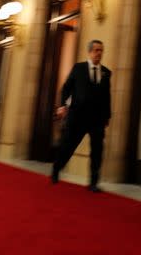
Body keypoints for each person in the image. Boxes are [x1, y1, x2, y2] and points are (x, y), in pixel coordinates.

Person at [51, 40, 111, 193]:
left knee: (97, 150)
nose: (99, 53)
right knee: (69, 145)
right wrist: (63, 105)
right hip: (78, 116)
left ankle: (93, 182)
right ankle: (57, 168)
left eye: (101, 50)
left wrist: (107, 116)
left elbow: (107, 97)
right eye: (96, 50)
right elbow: (66, 88)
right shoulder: (79, 68)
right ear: (90, 52)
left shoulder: (106, 72)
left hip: (97, 119)